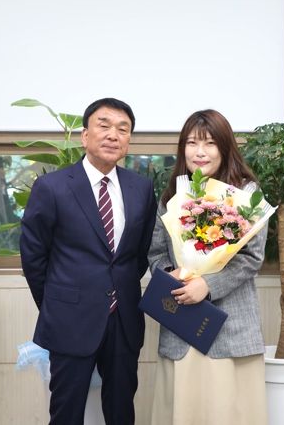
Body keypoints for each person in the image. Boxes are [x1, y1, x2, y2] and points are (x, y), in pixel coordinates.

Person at [20, 97, 157, 425]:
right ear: (84, 135)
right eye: (104, 126)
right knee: (66, 413)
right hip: (70, 319)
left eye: (123, 129)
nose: (113, 135)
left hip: (124, 319)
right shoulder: (52, 187)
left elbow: (139, 254)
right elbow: (34, 256)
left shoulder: (141, 188)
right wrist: (59, 302)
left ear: (128, 140)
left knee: (122, 411)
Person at [148, 109, 268, 424]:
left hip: (231, 331)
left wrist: (208, 286)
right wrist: (172, 275)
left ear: (225, 147)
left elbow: (252, 257)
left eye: (210, 143)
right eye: (192, 143)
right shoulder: (172, 193)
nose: (200, 152)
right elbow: (156, 252)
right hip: (180, 325)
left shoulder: (247, 195)